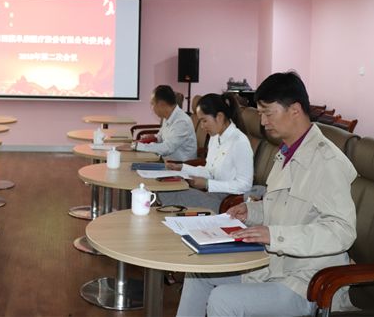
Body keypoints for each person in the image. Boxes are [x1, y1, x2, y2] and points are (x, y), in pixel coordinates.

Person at [176, 72, 357, 317]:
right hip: (273, 267)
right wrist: (251, 211)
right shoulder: (287, 152)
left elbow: (341, 232)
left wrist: (274, 235)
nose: (262, 122)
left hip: (307, 282)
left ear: (295, 110)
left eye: (268, 113)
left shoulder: (327, 162)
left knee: (224, 300)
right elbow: (284, 207)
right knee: (198, 274)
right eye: (260, 113)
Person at [159, 93, 253, 214]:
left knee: (169, 195)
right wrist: (182, 168)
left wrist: (208, 184)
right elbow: (209, 171)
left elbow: (245, 185)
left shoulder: (239, 142)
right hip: (211, 193)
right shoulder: (215, 138)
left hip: (226, 203)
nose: (202, 126)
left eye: (204, 121)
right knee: (166, 190)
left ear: (219, 117)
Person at [132, 85, 197, 162]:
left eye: (152, 104)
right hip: (167, 161)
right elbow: (161, 136)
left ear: (161, 104)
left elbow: (168, 148)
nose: (152, 108)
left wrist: (137, 146)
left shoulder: (182, 121)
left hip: (179, 165)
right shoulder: (168, 116)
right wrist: (154, 137)